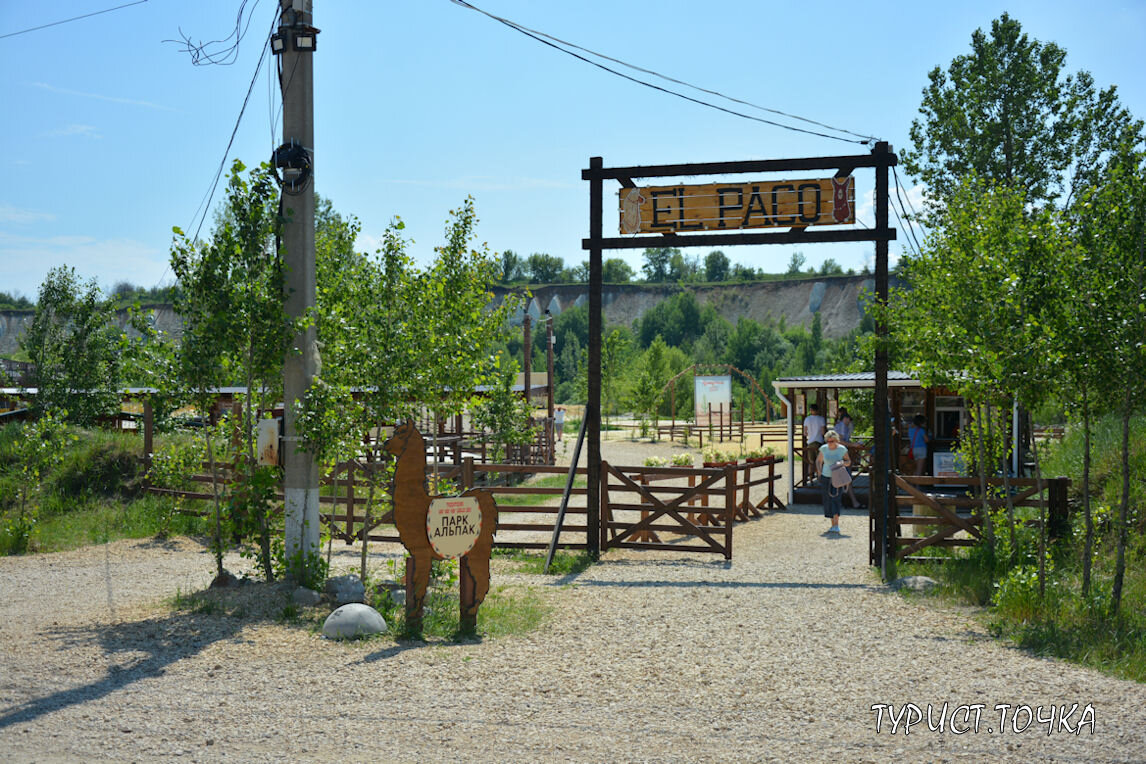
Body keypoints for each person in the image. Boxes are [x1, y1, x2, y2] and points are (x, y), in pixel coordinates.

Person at [815, 429, 851, 534]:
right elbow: (818, 461)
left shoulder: (842, 449)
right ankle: (832, 524)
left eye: (832, 441)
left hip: (838, 477)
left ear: (837, 441)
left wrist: (842, 463)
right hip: (826, 476)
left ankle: (836, 524)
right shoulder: (823, 449)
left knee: (836, 498)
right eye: (828, 441)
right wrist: (819, 472)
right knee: (827, 500)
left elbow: (848, 461)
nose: (830, 443)